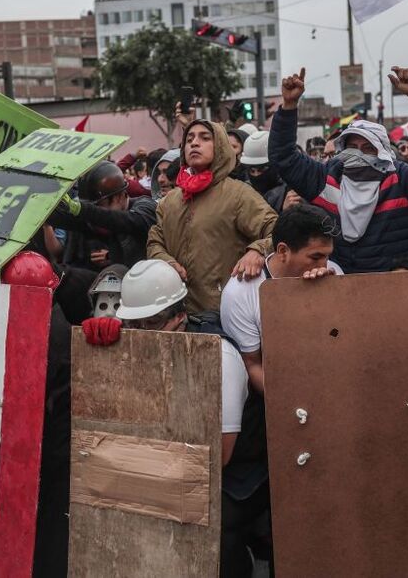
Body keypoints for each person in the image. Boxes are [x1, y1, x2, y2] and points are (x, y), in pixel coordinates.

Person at [82, 259, 256, 577]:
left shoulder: (221, 358)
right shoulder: (146, 339)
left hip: (231, 477)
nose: (140, 335)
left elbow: (220, 457)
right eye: (133, 325)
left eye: (149, 324)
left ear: (179, 316)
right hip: (169, 460)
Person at [270, 66, 408, 273]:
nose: (359, 155)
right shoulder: (325, 179)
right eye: (353, 148)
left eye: (368, 149)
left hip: (392, 292)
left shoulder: (403, 181)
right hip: (335, 289)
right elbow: (283, 158)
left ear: (383, 152)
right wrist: (289, 106)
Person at [147, 109, 278, 314]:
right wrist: (167, 261)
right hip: (177, 314)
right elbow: (155, 242)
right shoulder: (169, 201)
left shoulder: (238, 194)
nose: (194, 143)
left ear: (220, 147)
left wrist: (257, 250)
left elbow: (276, 229)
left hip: (224, 314)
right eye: (189, 139)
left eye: (204, 138)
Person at [221, 204, 341, 394]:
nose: (324, 264)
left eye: (327, 256)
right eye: (315, 257)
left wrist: (328, 294)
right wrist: (288, 402)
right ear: (283, 251)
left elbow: (342, 340)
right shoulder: (241, 293)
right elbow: (251, 364)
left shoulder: (333, 273)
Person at [55, 161, 157, 270]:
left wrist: (82, 210)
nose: (96, 215)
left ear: (118, 197)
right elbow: (64, 220)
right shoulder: (92, 221)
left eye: (98, 206)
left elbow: (131, 222)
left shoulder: (145, 206)